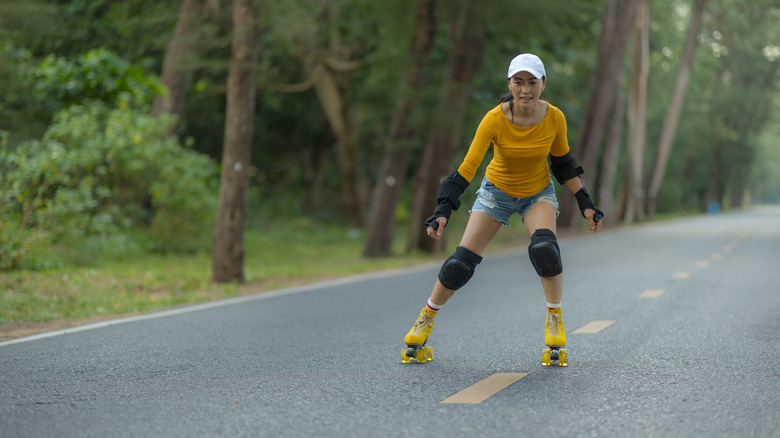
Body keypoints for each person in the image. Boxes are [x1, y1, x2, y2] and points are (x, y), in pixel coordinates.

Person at [402, 53, 603, 363]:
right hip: (495, 193)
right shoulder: (494, 119)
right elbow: (468, 168)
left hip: (537, 193)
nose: (525, 90)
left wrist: (586, 203)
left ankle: (554, 317)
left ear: (543, 84)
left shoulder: (555, 118)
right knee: (460, 264)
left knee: (546, 248)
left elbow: (563, 163)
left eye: (532, 82)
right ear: (509, 84)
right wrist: (443, 208)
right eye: (518, 82)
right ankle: (427, 316)